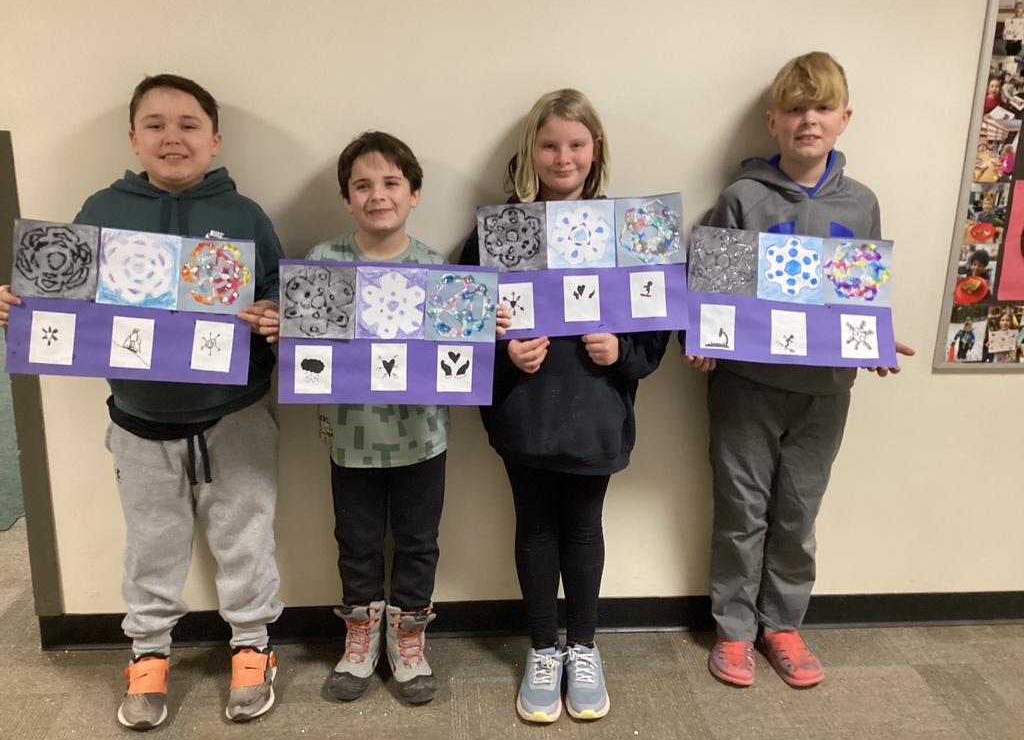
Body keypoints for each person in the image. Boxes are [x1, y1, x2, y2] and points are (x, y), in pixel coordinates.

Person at [1, 74, 285, 729]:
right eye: (155, 124)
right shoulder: (103, 208)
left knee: (246, 540)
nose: (172, 137)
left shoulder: (244, 217)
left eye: (188, 124)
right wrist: (23, 307)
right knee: (151, 547)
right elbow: (66, 301)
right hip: (138, 422)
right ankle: (149, 654)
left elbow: (277, 296)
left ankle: (252, 647)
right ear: (133, 138)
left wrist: (270, 315)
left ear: (215, 139)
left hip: (235, 414)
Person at [252, 131, 509, 706]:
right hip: (350, 437)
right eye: (362, 186)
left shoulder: (435, 268)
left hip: (424, 435)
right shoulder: (322, 263)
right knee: (357, 541)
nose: (377, 195)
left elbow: (455, 362)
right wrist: (279, 333)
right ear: (346, 199)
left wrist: (481, 329)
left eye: (391, 183)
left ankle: (409, 640)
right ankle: (360, 638)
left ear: (415, 193)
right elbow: (303, 360)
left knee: (419, 542)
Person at [685, 53, 914, 689]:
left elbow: (859, 297)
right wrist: (704, 337)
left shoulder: (861, 203)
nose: (807, 120)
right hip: (745, 387)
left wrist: (877, 341)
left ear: (844, 119)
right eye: (794, 109)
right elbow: (711, 291)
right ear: (773, 121)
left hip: (825, 390)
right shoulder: (742, 198)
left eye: (820, 108)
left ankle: (781, 624)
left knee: (798, 512)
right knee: (741, 509)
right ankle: (733, 630)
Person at [459, 89, 669, 723]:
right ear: (533, 151)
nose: (563, 156)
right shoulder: (501, 229)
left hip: (597, 411)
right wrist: (503, 349)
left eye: (576, 144)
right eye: (549, 144)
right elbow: (459, 319)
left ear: (595, 149)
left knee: (583, 527)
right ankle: (542, 648)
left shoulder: (631, 231)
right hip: (525, 410)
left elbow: (655, 330)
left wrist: (620, 351)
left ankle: (584, 646)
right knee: (534, 526)